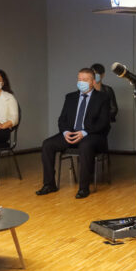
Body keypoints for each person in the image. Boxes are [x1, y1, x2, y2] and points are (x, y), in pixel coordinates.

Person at [36, 68, 111, 199]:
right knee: (47, 144)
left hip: (92, 135)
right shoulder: (70, 97)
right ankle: (49, 184)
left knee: (85, 146)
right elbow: (62, 119)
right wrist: (65, 132)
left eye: (85, 79)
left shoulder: (102, 98)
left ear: (93, 81)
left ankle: (83, 188)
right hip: (71, 134)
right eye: (79, 79)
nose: (81, 82)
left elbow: (103, 122)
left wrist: (84, 132)